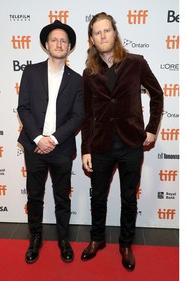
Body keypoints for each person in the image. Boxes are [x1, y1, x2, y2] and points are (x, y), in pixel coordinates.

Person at [80, 12, 164, 271]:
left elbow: (157, 94)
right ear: (91, 40)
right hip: (101, 144)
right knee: (98, 198)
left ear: (114, 33)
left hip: (131, 143)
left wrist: (151, 129)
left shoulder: (136, 63)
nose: (102, 35)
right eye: (97, 32)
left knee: (129, 197)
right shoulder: (89, 73)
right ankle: (97, 239)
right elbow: (86, 115)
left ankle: (125, 244)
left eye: (107, 30)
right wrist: (85, 149)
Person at [17, 20, 83, 264]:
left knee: (62, 197)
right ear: (46, 44)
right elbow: (23, 107)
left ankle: (64, 240)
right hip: (34, 146)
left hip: (61, 148)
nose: (59, 43)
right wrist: (38, 138)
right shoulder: (30, 72)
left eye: (64, 41)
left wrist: (53, 139)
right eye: (54, 40)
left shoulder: (76, 79)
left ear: (69, 48)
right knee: (35, 196)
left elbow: (78, 116)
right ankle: (35, 238)